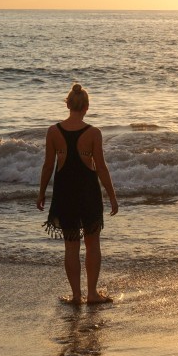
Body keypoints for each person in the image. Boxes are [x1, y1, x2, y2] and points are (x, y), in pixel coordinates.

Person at [37, 83, 118, 305]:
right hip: (88, 193)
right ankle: (91, 294)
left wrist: (42, 192)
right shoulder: (93, 133)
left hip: (65, 193)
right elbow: (101, 168)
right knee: (93, 244)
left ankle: (75, 296)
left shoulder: (53, 132)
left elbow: (47, 166)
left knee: (71, 246)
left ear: (68, 105)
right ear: (87, 107)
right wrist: (112, 196)